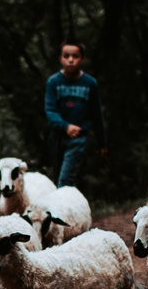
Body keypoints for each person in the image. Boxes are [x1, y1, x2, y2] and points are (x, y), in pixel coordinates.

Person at [42, 39, 106, 188]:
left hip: (78, 138)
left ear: (82, 59)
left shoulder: (89, 83)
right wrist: (65, 126)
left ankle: (62, 210)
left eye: (75, 56)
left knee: (65, 180)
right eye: (66, 56)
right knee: (60, 179)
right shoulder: (53, 82)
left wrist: (102, 142)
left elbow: (96, 114)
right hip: (58, 138)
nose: (70, 60)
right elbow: (50, 111)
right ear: (60, 58)